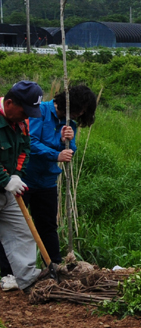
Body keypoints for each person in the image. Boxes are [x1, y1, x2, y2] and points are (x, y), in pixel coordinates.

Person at [24, 84, 98, 266]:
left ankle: (54, 268)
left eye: (84, 111)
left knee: (48, 226)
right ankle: (13, 271)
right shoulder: (40, 111)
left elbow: (69, 152)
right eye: (80, 108)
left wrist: (68, 141)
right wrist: (56, 155)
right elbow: (30, 142)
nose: (80, 114)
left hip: (47, 181)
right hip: (25, 178)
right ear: (70, 103)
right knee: (19, 227)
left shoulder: (69, 123)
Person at [0, 81, 44, 294]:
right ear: (9, 103)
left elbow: (25, 149)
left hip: (6, 190)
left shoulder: (21, 122)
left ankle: (29, 280)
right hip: (4, 184)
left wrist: (17, 174)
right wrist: (5, 179)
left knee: (22, 231)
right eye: (24, 111)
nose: (26, 117)